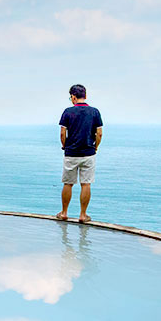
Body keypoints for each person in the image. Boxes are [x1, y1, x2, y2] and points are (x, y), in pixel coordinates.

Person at [56, 83, 102, 223]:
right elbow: (99, 133)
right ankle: (83, 215)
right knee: (86, 184)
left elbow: (63, 133)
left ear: (73, 97)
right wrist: (95, 147)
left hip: (71, 153)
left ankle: (64, 213)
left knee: (68, 183)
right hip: (88, 153)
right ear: (85, 96)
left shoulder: (68, 112)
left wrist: (65, 146)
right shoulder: (95, 112)